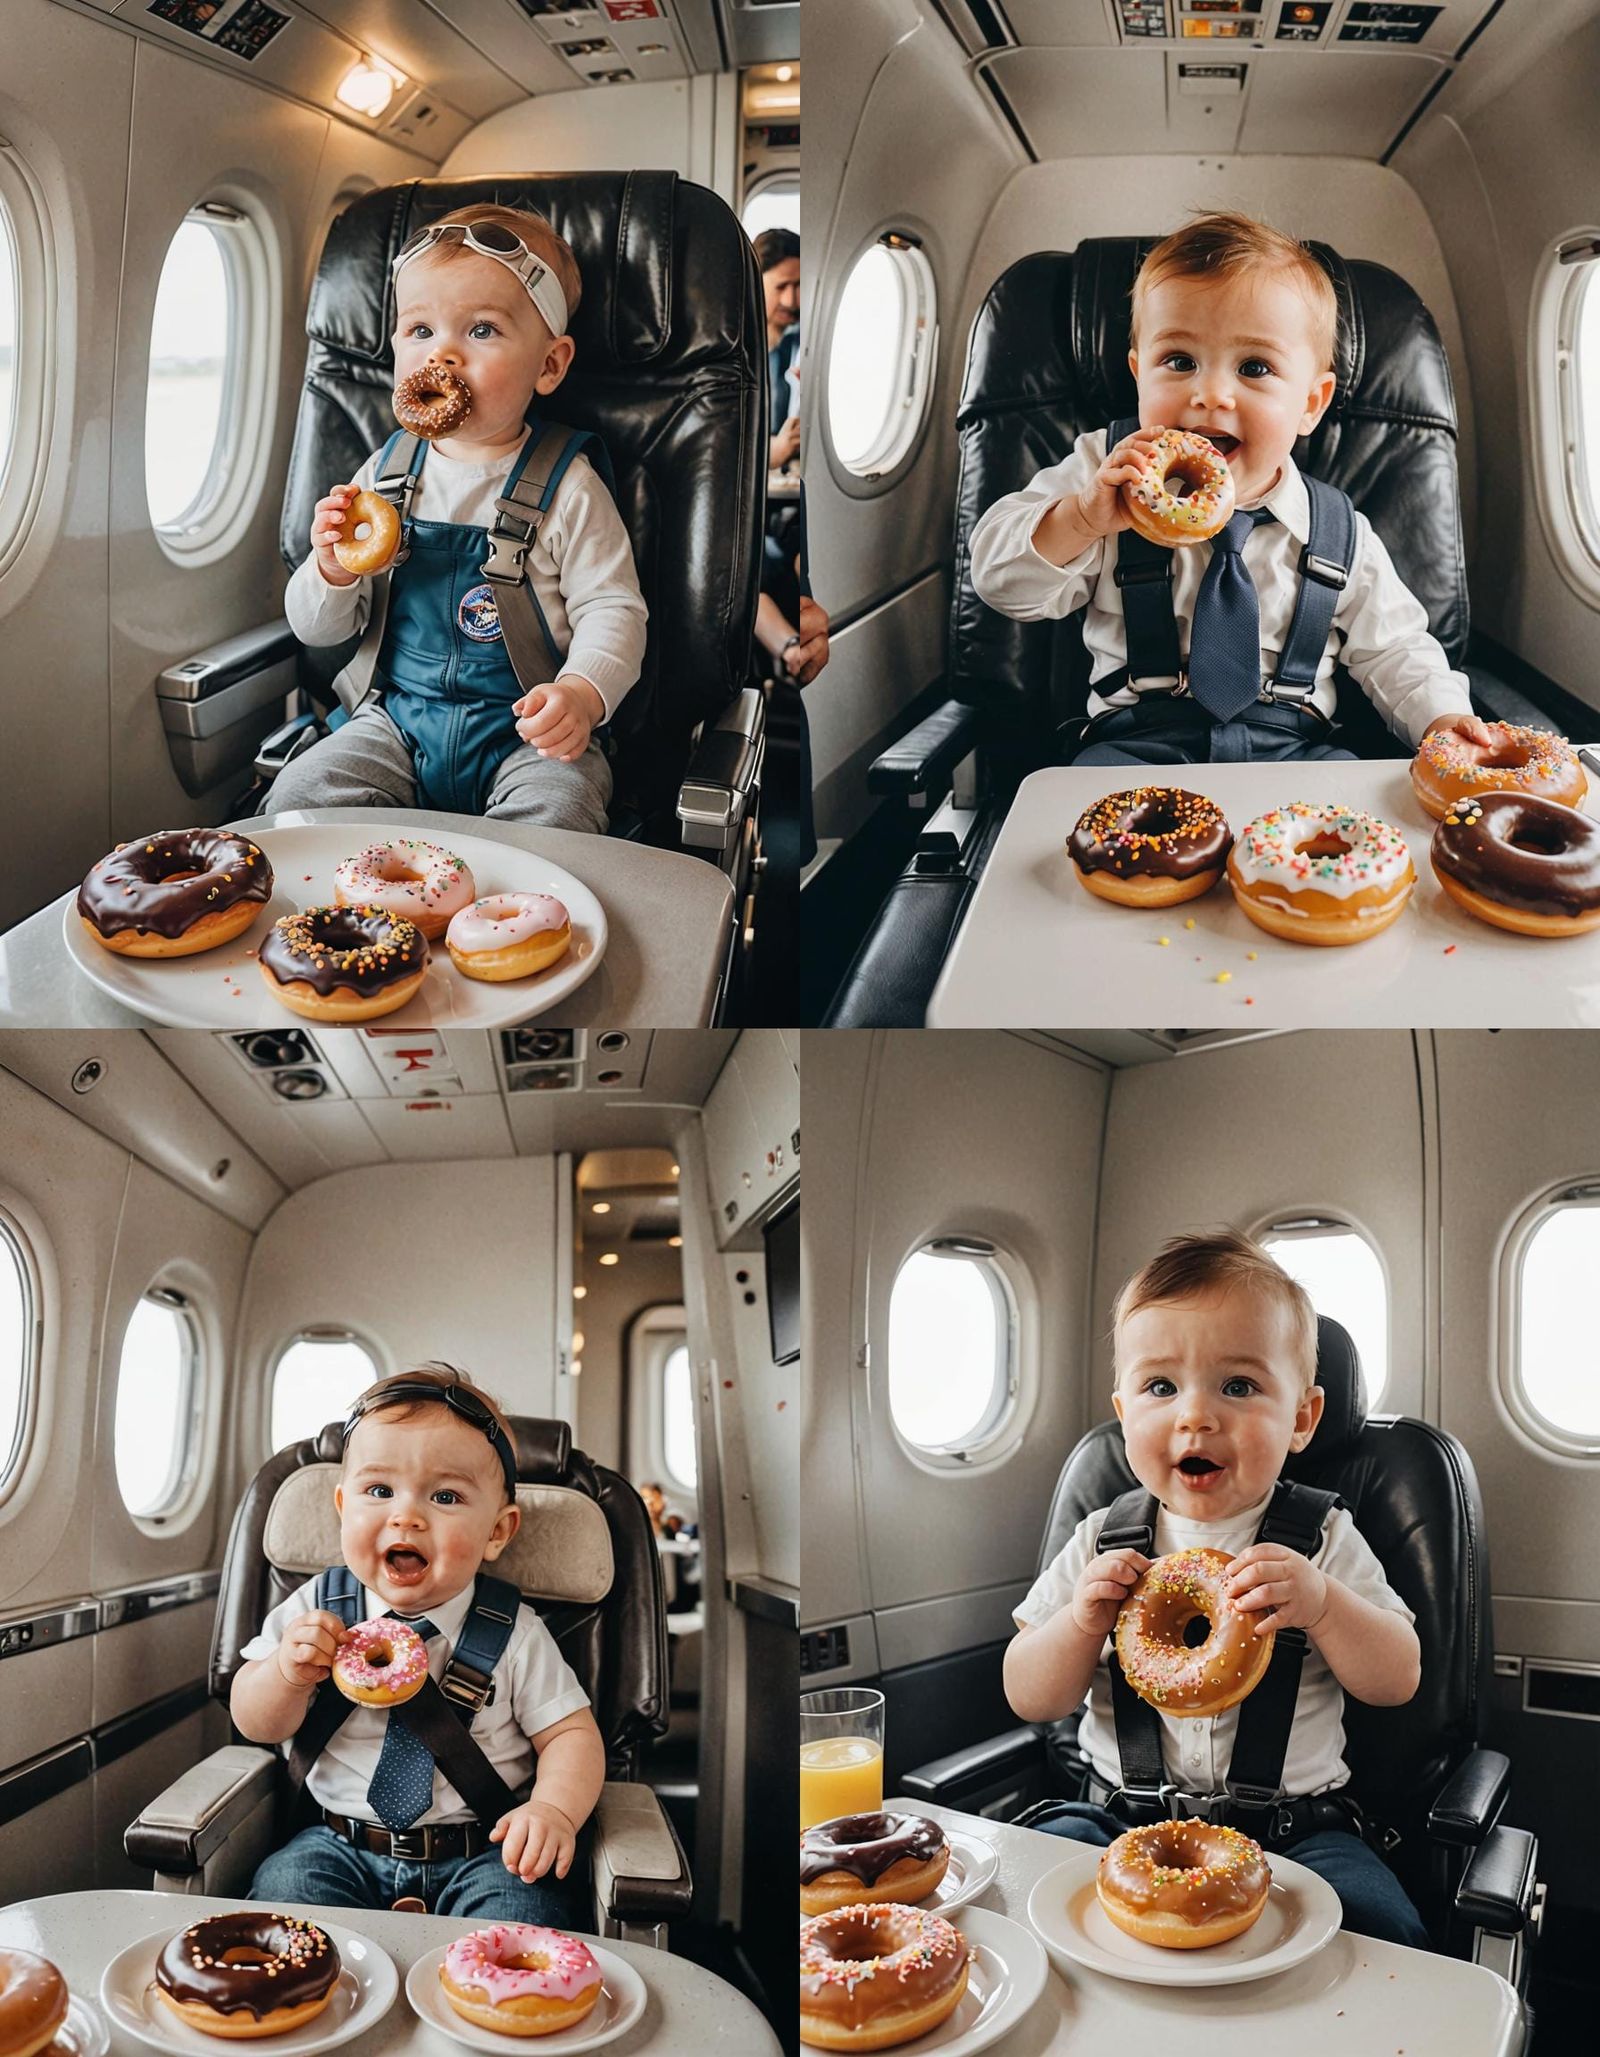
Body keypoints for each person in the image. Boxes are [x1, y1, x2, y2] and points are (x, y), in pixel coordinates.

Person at [1005, 1230, 1429, 1949]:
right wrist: (1079, 1623)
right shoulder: (1103, 1540)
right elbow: (1029, 1696)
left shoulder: (1321, 1538)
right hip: (1115, 1819)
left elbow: (1399, 1678)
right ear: (1124, 1413)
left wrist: (1324, 1605)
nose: (1195, 1415)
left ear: (1302, 1418)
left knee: (1383, 1931)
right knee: (1022, 1897)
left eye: (1238, 1386)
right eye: (1160, 1387)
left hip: (1296, 1833)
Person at [970, 210, 1495, 767]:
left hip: (1294, 752)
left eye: (1254, 367)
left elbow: (1396, 649)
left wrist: (1442, 720)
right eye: (1179, 361)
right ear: (1139, 376)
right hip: (1135, 746)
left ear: (1310, 404)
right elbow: (999, 580)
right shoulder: (1106, 474)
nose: (1211, 394)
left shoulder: (1339, 532)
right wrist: (1079, 519)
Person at [265, 204, 647, 831]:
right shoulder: (382, 475)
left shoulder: (569, 486)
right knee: (299, 799)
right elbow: (319, 631)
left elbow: (614, 610)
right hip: (395, 720)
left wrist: (581, 693)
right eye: (420, 330)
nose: (441, 355)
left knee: (559, 814)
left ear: (549, 364)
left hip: (526, 730)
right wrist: (332, 571)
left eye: (482, 330)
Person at [233, 1365, 604, 1921]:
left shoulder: (516, 1632)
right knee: (286, 1891)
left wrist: (553, 1810)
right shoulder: (313, 1610)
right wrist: (285, 1674)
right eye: (379, 1491)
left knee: (525, 1913)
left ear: (497, 1532)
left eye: (446, 1496)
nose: (406, 1516)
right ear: (343, 1508)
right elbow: (256, 1723)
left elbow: (571, 1735)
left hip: (484, 1849)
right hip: (337, 1843)